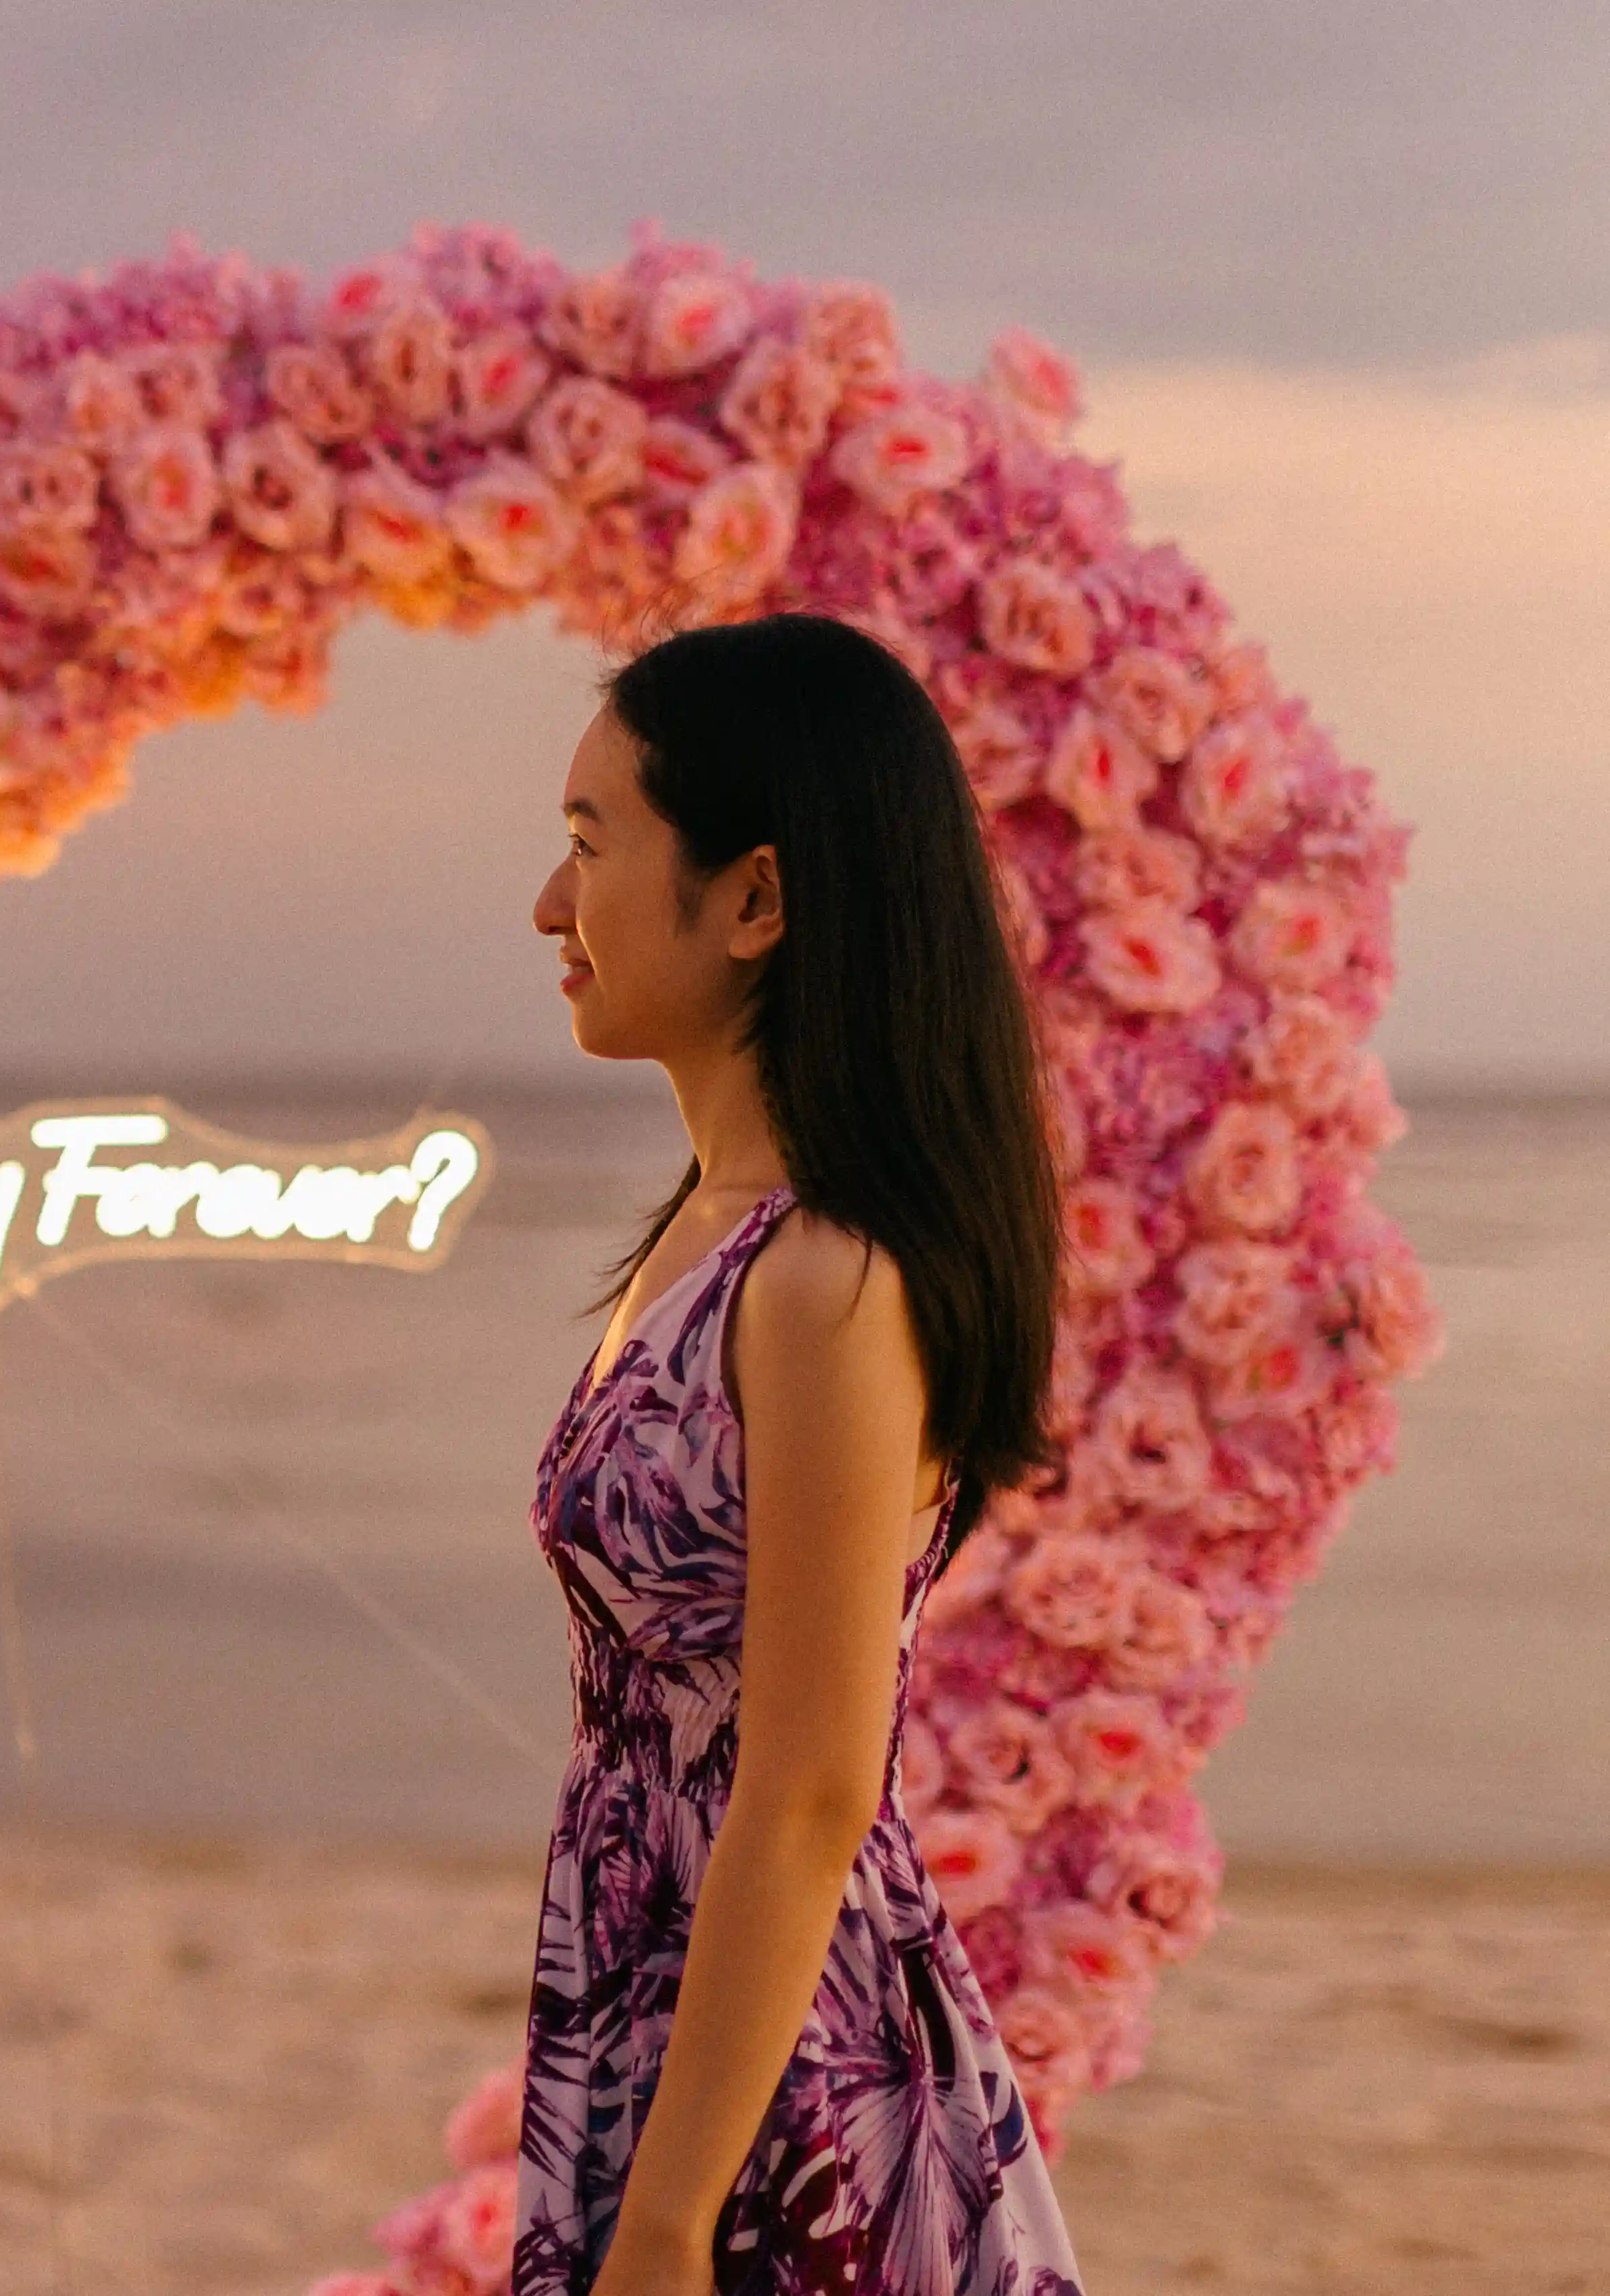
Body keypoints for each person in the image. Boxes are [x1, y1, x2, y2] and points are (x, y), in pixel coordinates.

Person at [516, 612, 1089, 2295]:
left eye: (589, 845)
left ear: (756, 898)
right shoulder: (704, 1243)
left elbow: (814, 1782)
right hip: (661, 2004)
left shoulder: (825, 1279)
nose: (548, 905)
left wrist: (670, 2219)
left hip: (787, 2090)